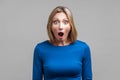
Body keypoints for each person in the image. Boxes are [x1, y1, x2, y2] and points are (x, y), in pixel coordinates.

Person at [32, 6, 92, 80]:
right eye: (56, 22)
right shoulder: (40, 49)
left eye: (65, 22)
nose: (60, 27)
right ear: (50, 26)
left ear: (71, 26)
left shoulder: (83, 48)